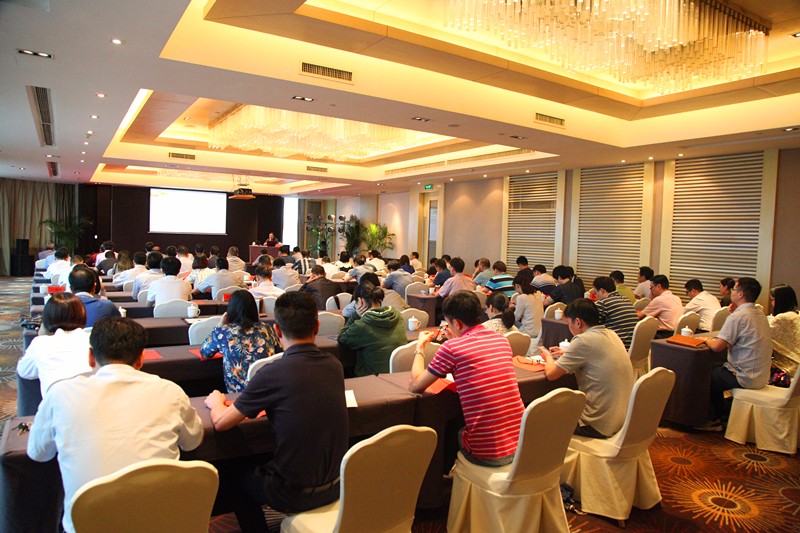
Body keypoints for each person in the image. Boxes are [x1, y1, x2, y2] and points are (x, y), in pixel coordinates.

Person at [28, 317, 203, 533]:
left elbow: (38, 453)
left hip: (88, 525)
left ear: (90, 357)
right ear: (141, 359)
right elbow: (192, 441)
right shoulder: (170, 391)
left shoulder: (60, 394)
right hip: (162, 522)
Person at [204, 292, 348, 531]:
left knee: (233, 476)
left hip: (294, 494)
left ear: (278, 331)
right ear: (317, 327)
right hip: (336, 486)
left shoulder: (271, 374)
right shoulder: (335, 365)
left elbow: (221, 423)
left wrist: (216, 401)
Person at [410, 291, 525, 466]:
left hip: (489, 454)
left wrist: (420, 347)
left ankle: (447, 476)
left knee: (449, 430)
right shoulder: (501, 339)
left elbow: (416, 385)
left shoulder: (452, 348)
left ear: (456, 323)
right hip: (522, 446)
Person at [540, 299, 633, 438]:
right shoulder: (611, 334)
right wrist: (568, 354)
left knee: (541, 414)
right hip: (622, 421)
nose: (568, 327)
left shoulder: (583, 340)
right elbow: (594, 354)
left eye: (568, 322)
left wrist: (547, 356)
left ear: (578, 322)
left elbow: (551, 374)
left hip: (597, 424)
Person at [696, 277, 772, 431]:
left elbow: (717, 347)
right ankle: (724, 414)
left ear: (741, 294)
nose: (732, 292)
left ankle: (714, 420)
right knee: (717, 370)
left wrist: (706, 339)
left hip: (745, 376)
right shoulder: (759, 313)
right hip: (762, 375)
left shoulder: (738, 317)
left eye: (734, 289)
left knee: (704, 376)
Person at [200, 290, 282, 392]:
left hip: (238, 394)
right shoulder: (266, 328)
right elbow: (279, 352)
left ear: (230, 310)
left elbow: (205, 353)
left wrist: (219, 325)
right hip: (269, 390)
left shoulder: (224, 332)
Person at [17, 293, 92, 396]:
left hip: (57, 405)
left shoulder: (41, 344)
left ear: (46, 319)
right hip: (98, 402)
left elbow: (23, 371)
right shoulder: (95, 340)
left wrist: (41, 336)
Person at [337, 282, 407, 376]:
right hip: (398, 375)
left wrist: (356, 315)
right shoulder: (398, 316)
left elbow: (342, 338)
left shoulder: (363, 325)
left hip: (371, 377)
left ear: (360, 301)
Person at [593, 276, 639, 349]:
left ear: (602, 290)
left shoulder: (603, 303)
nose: (595, 296)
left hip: (617, 347)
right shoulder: (626, 299)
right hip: (632, 346)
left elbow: (591, 327)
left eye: (595, 292)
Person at [768, 284, 800, 376]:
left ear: (780, 301)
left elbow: (763, 335)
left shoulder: (782, 318)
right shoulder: (797, 315)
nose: (771, 304)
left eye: (772, 300)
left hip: (788, 367)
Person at [512, 270, 544, 343]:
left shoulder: (521, 297)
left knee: (509, 319)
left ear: (517, 285)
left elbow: (516, 317)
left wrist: (512, 308)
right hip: (540, 331)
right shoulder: (538, 294)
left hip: (528, 331)